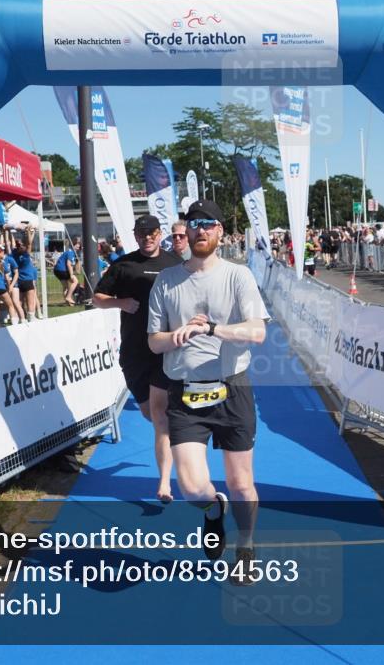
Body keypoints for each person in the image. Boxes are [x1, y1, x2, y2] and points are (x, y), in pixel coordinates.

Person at [147, 200, 269, 578]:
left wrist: (213, 329)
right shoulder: (166, 281)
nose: (200, 230)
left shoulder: (238, 276)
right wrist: (176, 337)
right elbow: (154, 341)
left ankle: (245, 549)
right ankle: (214, 507)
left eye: (208, 224)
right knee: (192, 488)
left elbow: (257, 332)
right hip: (184, 393)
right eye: (194, 224)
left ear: (220, 231)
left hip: (232, 389)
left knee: (240, 482)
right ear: (186, 231)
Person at [94, 214, 182, 503]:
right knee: (150, 414)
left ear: (160, 234)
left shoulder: (173, 264)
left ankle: (165, 484)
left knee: (159, 416)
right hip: (133, 353)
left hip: (163, 350)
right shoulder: (123, 265)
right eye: (142, 232)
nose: (147, 237)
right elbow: (97, 298)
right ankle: (174, 437)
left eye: (152, 232)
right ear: (135, 235)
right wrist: (121, 303)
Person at [13, 225, 39, 321]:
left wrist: (31, 233)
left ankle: (22, 318)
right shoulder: (25, 254)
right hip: (28, 280)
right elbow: (29, 244)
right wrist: (29, 231)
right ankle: (31, 317)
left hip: (19, 281)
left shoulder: (14, 254)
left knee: (20, 301)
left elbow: (27, 243)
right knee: (30, 301)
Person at [54, 240, 80, 306]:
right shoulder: (70, 252)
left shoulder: (71, 252)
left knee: (65, 287)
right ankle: (68, 297)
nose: (78, 246)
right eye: (76, 244)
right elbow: (69, 264)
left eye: (79, 245)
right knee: (75, 281)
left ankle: (69, 303)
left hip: (57, 270)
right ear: (73, 245)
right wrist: (71, 274)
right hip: (62, 270)